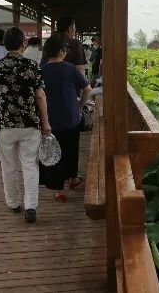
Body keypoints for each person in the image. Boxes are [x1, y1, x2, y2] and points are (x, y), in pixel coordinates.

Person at [0, 27, 51, 223]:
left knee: (8, 166)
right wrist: (46, 122)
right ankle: (31, 206)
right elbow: (40, 96)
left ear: (5, 44)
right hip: (30, 123)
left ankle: (13, 203)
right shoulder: (32, 66)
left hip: (4, 124)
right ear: (23, 43)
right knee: (30, 166)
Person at [39, 35, 92, 201]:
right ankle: (73, 179)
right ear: (62, 51)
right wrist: (79, 106)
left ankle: (58, 189)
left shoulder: (41, 70)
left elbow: (37, 95)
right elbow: (88, 89)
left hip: (50, 119)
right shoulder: (69, 68)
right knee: (71, 149)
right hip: (71, 118)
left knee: (54, 152)